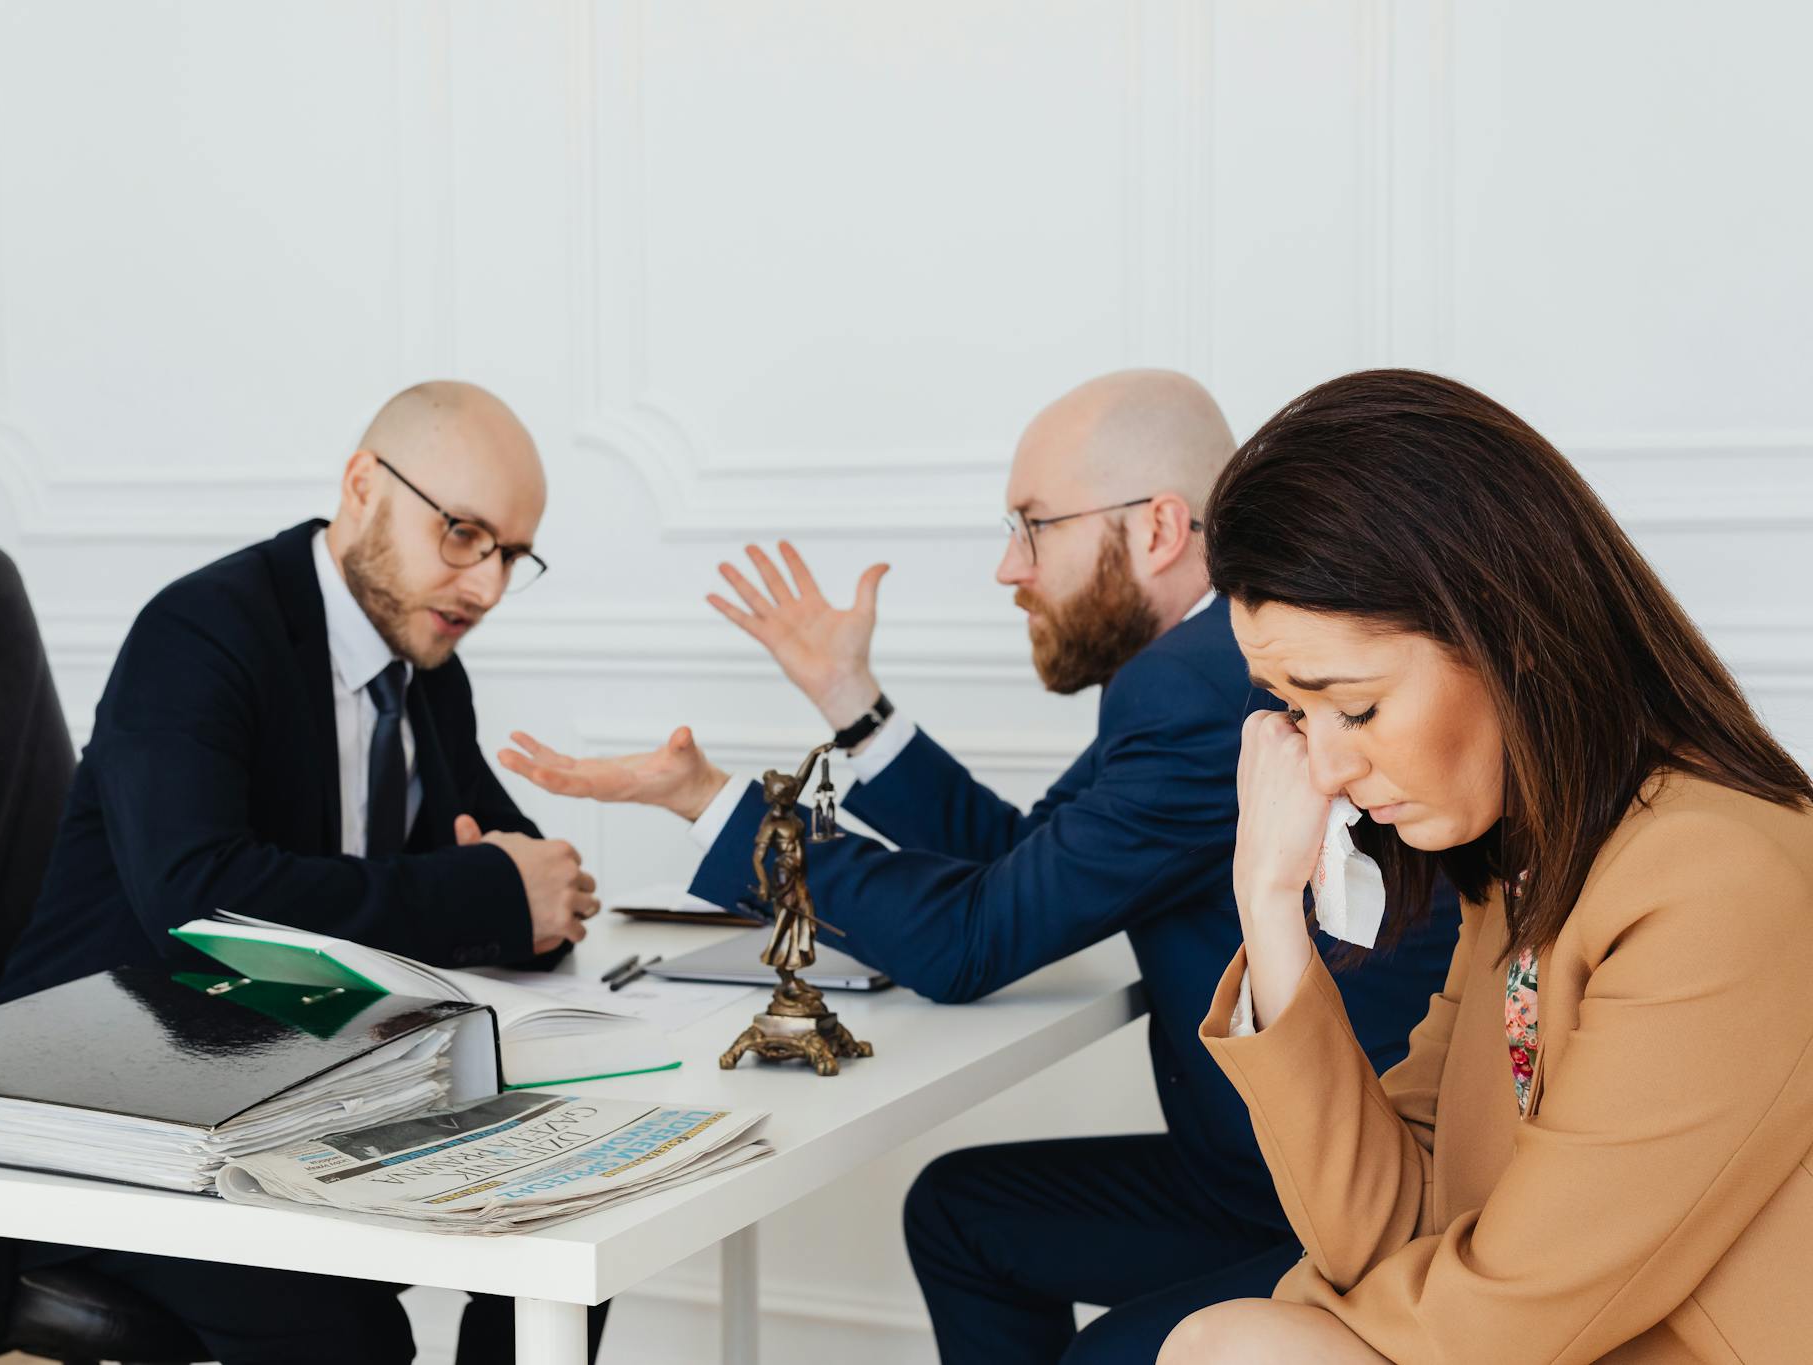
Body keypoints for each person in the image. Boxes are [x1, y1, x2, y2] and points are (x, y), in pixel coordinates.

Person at [497, 370, 1461, 1360]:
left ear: (1159, 529)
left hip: (1349, 1204)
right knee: (963, 1218)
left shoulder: (1202, 688)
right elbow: (1021, 861)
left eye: (1033, 525)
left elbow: (969, 941)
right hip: (1254, 1176)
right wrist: (851, 704)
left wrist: (714, 806)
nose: (1009, 567)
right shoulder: (1192, 667)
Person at [1157, 369, 1813, 1364]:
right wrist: (1266, 904)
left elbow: (1500, 1328)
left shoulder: (1715, 879)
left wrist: (1286, 1323)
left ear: (1508, 634)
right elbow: (1381, 1228)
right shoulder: (1530, 874)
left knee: (1235, 1346)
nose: (1324, 768)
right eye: (1294, 710)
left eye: (1355, 705)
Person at [0, 382, 609, 1364]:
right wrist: (491, 894)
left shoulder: (426, 665)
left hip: (293, 1081)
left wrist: (530, 892)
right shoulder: (199, 634)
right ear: (362, 485)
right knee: (344, 1331)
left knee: (571, 1224)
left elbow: (507, 859)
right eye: (461, 534)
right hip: (113, 1101)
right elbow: (203, 913)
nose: (485, 587)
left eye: (510, 556)